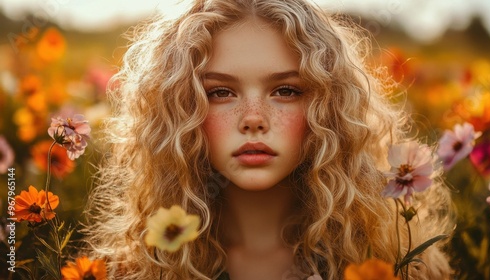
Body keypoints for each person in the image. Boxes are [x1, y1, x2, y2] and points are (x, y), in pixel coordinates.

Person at [83, 0, 454, 279]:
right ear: (180, 109)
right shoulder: (136, 269)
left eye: (287, 91)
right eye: (220, 93)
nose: (254, 120)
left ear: (329, 108)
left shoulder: (393, 261)